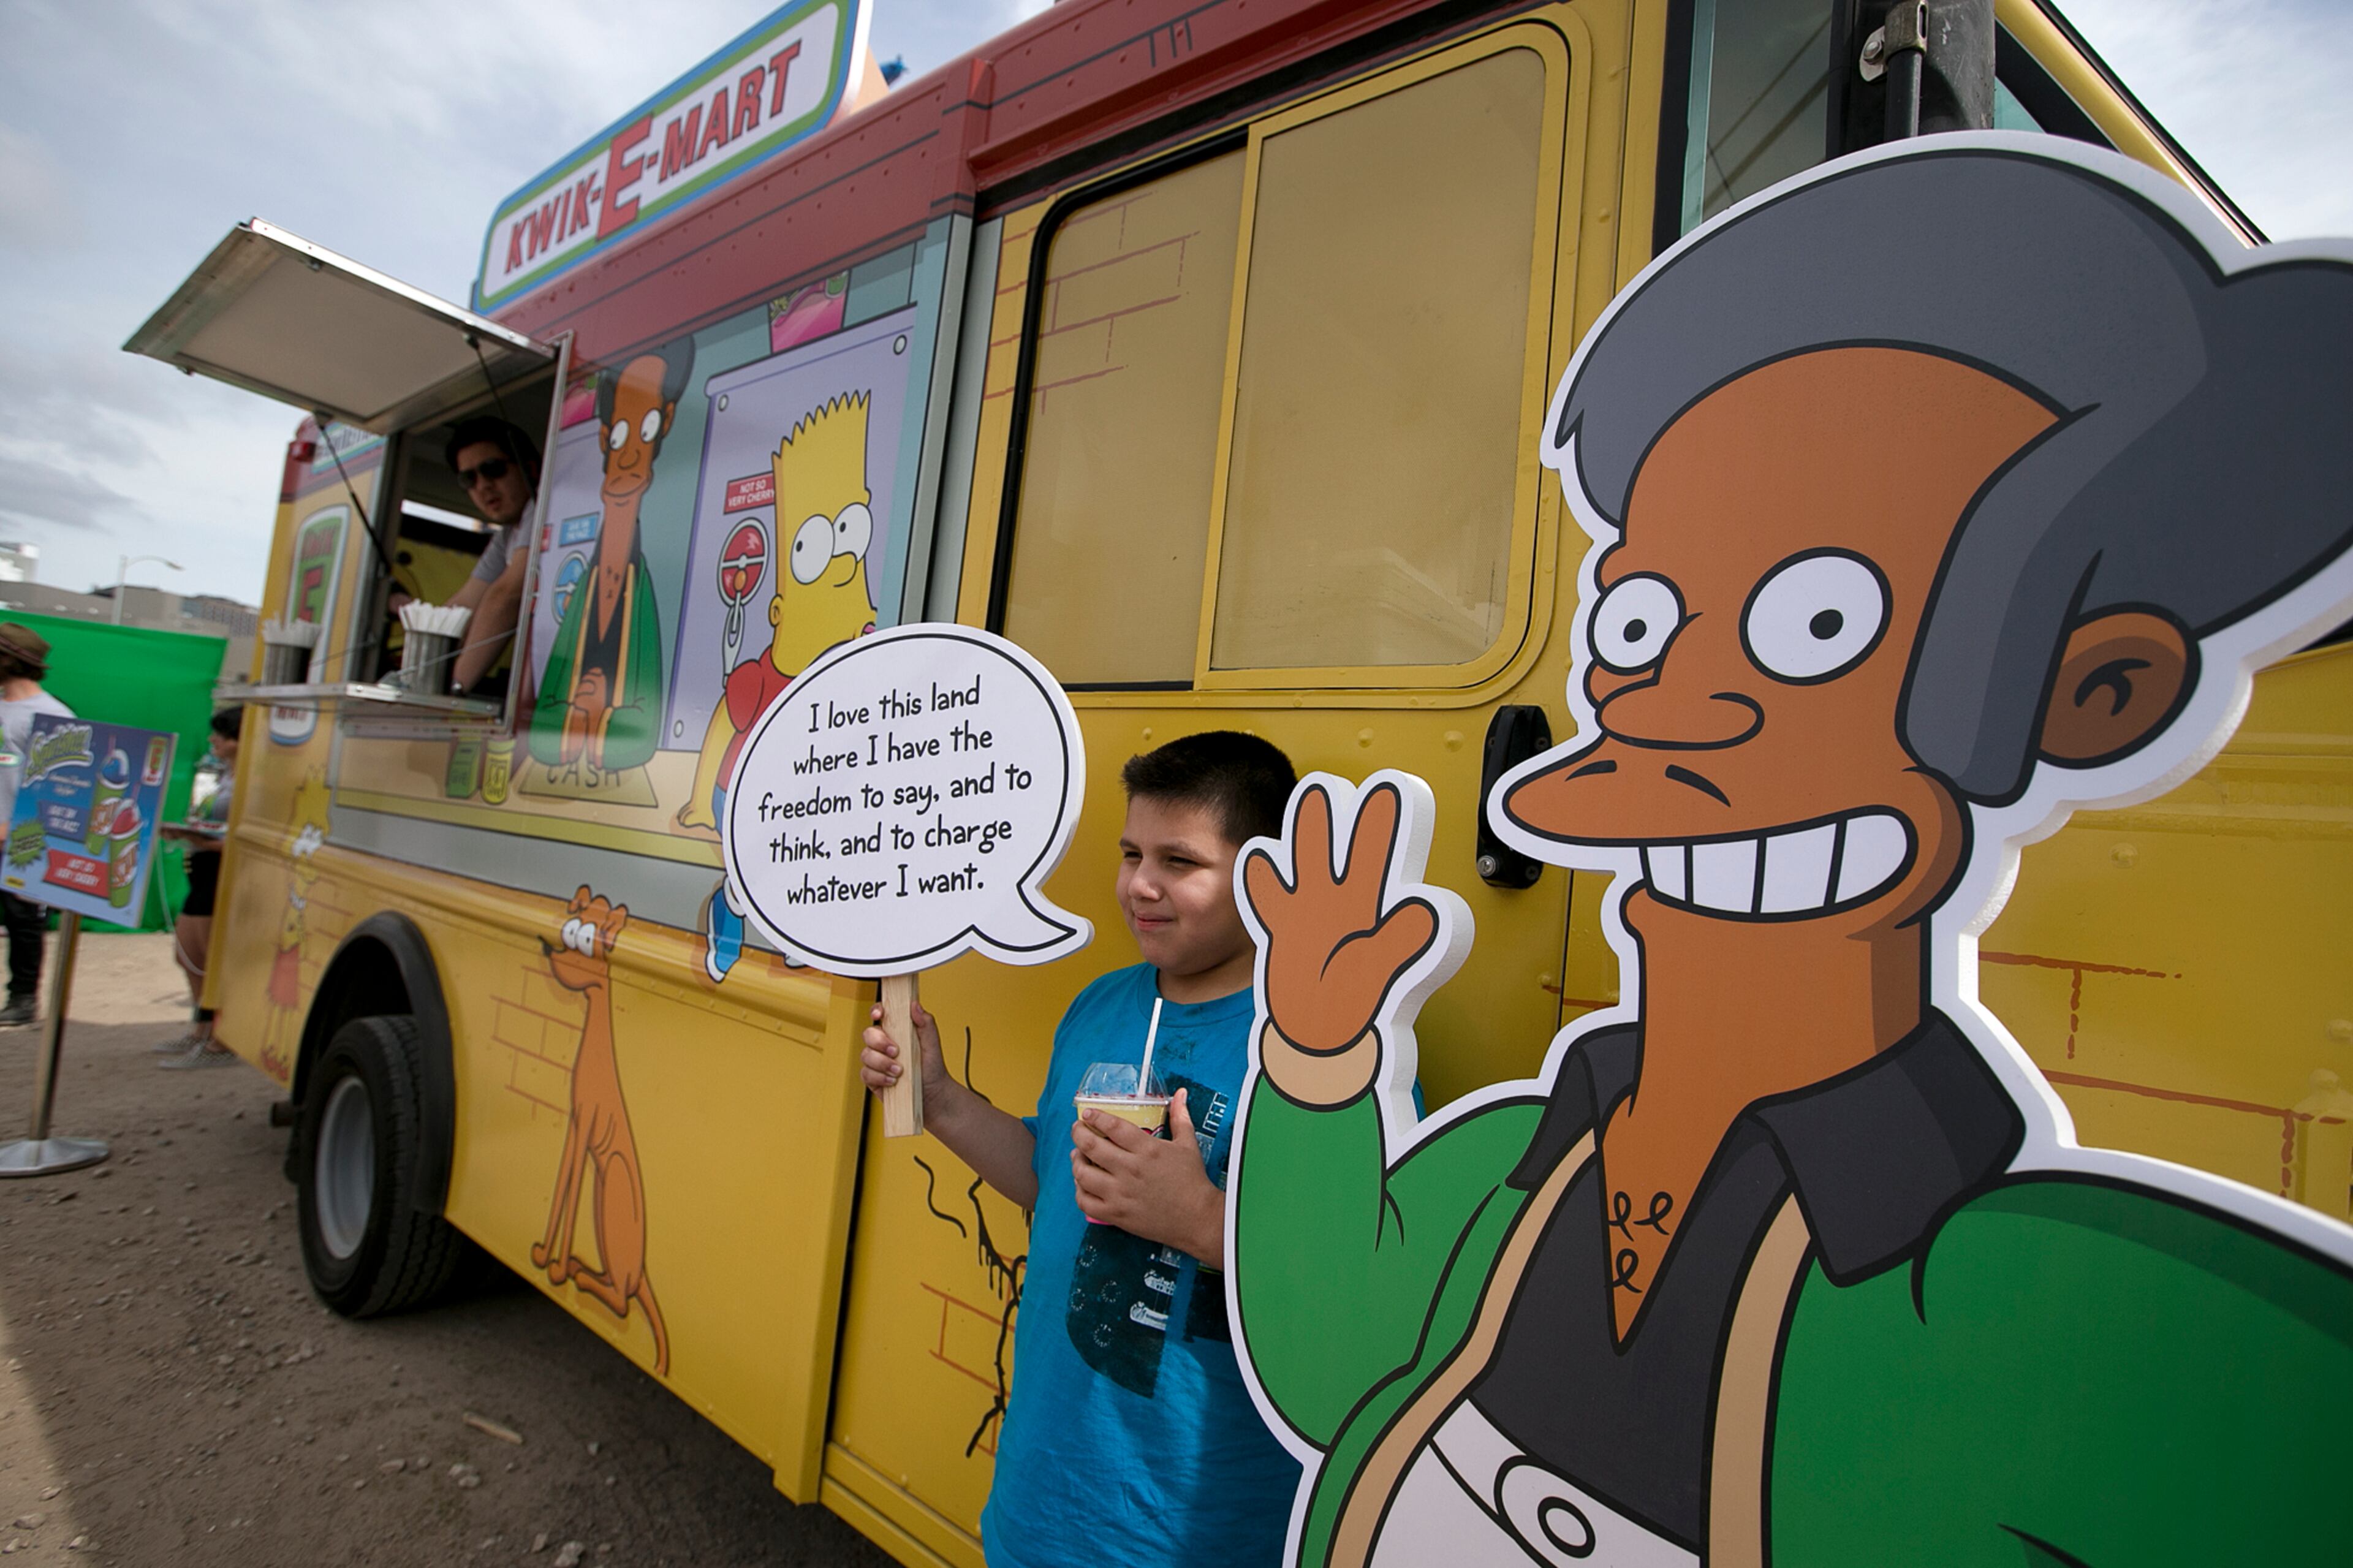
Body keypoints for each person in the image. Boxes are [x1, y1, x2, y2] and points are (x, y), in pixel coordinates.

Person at [1226, 142, 2353, 1566]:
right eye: (1636, 629)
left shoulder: (2025, 1293)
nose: (1674, 723)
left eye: (1819, 623)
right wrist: (1320, 1061)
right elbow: (1334, 1354)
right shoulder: (1532, 1153)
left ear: (2092, 690)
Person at [860, 731, 1304, 1568]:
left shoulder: (1325, 1051)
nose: (1141, 883)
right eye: (1132, 851)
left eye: (1181, 860)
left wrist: (1206, 1223)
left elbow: (1355, 1298)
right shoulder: (1099, 1004)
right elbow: (1048, 1184)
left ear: (1265, 876)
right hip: (1045, 1500)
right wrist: (940, 1096)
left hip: (1199, 1526)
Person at [155, 708, 241, 1068]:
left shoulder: (252, 781)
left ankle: (222, 1040)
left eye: (220, 733)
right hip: (201, 867)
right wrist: (189, 832)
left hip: (222, 871)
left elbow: (244, 839)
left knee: (211, 959)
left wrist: (199, 839)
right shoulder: (222, 775)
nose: (213, 740)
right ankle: (200, 1030)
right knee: (186, 954)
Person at [0, 623, 70, 1028]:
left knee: (23, 920)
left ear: (10, 658)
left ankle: (23, 998)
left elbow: (61, 791)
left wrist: (12, 828)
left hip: (22, 838)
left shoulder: (53, 716)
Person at [445, 416, 542, 695]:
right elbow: (463, 605)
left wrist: (451, 689)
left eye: (492, 469)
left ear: (530, 468)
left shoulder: (542, 505)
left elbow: (506, 596)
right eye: (469, 478)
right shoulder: (507, 534)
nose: (483, 485)